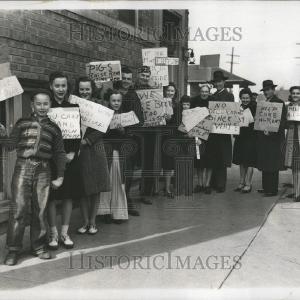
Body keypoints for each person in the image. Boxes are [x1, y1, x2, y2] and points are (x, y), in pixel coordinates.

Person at [4, 90, 66, 266]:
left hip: (44, 171)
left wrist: (60, 176)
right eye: (38, 104)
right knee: (18, 209)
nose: (42, 107)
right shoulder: (22, 123)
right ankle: (13, 250)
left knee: (40, 210)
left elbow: (59, 153)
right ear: (32, 105)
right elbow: (10, 146)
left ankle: (38, 247)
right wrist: (2, 135)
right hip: (23, 167)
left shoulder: (54, 128)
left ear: (50, 105)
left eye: (45, 104)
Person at [47, 71, 82, 250]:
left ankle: (64, 232)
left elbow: (77, 135)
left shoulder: (73, 108)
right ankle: (53, 234)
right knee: (52, 197)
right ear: (51, 86)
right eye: (57, 85)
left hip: (69, 158)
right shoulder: (47, 107)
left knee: (68, 195)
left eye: (64, 85)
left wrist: (73, 153)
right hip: (51, 159)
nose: (61, 89)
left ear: (68, 87)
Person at [74, 77, 111, 234]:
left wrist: (88, 140)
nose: (84, 92)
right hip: (78, 150)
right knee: (82, 187)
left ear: (92, 89)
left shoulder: (100, 105)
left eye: (87, 89)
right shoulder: (73, 104)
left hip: (94, 148)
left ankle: (93, 222)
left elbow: (105, 127)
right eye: (81, 89)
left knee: (95, 187)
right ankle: (84, 222)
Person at [114, 66, 145, 215]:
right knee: (114, 173)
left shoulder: (133, 96)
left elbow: (140, 118)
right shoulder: (112, 93)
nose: (126, 81)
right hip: (113, 139)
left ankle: (127, 201)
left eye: (128, 79)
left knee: (128, 172)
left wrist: (129, 130)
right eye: (123, 78)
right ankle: (113, 206)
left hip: (129, 139)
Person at [102, 89, 129, 223]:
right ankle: (105, 212)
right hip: (107, 151)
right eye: (113, 100)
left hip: (119, 152)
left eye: (118, 100)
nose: (116, 103)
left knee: (118, 181)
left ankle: (118, 213)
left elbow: (130, 136)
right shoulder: (104, 115)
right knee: (107, 181)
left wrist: (122, 130)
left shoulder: (126, 116)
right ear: (109, 101)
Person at [257, 80, 286, 196]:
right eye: (265, 90)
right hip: (264, 138)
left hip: (274, 138)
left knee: (273, 164)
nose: (266, 92)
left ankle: (272, 189)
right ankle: (266, 187)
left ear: (273, 90)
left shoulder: (279, 102)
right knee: (265, 162)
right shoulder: (264, 102)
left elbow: (282, 121)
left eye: (268, 90)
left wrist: (271, 132)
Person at [206, 71, 234, 193]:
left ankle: (221, 184)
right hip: (213, 132)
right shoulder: (212, 96)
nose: (218, 84)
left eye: (220, 81)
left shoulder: (229, 96)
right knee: (213, 156)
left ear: (224, 82)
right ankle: (213, 182)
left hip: (223, 132)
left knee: (222, 158)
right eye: (216, 82)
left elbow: (231, 113)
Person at [134, 66, 157, 202]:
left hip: (149, 130)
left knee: (148, 162)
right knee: (133, 161)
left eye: (147, 75)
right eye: (143, 75)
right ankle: (126, 195)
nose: (145, 77)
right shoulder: (132, 90)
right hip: (135, 130)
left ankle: (145, 193)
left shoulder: (153, 91)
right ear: (138, 75)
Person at [233, 88, 257, 193]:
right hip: (240, 137)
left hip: (251, 137)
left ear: (250, 98)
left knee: (249, 161)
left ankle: (248, 183)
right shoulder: (238, 107)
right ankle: (241, 182)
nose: (245, 100)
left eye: (247, 98)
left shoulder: (255, 107)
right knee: (241, 161)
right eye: (243, 98)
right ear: (240, 98)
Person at [190, 84, 213, 194]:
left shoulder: (213, 102)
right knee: (199, 161)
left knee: (209, 161)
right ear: (200, 92)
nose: (204, 93)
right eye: (202, 91)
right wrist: (196, 136)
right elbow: (190, 119)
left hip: (211, 136)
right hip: (198, 135)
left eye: (206, 91)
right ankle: (199, 184)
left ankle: (207, 184)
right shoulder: (194, 101)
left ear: (209, 92)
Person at [162, 82, 179, 198]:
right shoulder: (160, 103)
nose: (170, 93)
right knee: (163, 163)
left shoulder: (177, 105)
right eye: (168, 90)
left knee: (169, 164)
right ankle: (162, 188)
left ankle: (168, 188)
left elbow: (179, 122)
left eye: (172, 91)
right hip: (161, 136)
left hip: (172, 137)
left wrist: (170, 119)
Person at [285, 86, 300, 202]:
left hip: (299, 137)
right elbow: (285, 123)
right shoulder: (288, 106)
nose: (295, 95)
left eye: (298, 93)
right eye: (294, 93)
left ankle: (298, 192)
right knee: (294, 166)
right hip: (291, 136)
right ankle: (295, 190)